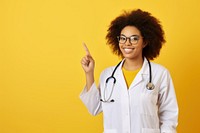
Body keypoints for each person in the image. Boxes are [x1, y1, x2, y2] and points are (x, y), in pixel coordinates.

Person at [80, 9, 178, 133]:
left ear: (145, 41)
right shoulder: (108, 75)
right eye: (123, 38)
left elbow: (169, 116)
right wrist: (89, 73)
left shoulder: (160, 74)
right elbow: (94, 108)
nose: (127, 43)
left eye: (134, 38)